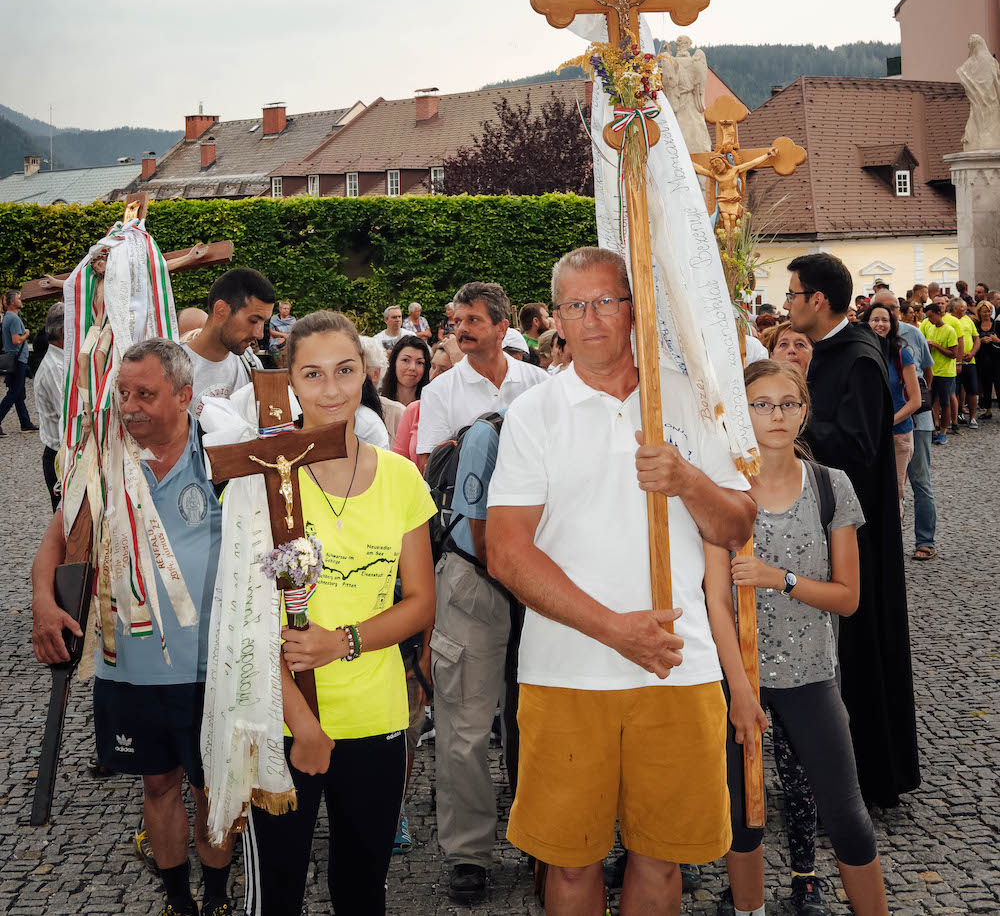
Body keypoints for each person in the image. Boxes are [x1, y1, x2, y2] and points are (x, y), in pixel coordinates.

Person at [487, 247, 756, 915]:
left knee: (662, 863)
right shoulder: (534, 413)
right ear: (556, 320)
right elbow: (507, 552)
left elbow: (736, 524)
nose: (594, 318)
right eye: (577, 305)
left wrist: (687, 479)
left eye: (607, 300)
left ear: (633, 309)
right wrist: (615, 630)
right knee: (571, 867)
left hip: (677, 665)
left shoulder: (690, 402)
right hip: (566, 672)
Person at [239, 310, 436, 916]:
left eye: (345, 371)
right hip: (284, 721)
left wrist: (342, 642)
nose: (331, 390)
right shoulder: (266, 478)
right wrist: (306, 728)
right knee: (277, 892)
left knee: (362, 888)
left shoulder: (401, 477)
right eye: (313, 374)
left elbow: (421, 602)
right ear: (290, 383)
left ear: (366, 374)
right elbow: (245, 625)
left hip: (376, 717)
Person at [31, 339, 235, 916]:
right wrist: (44, 604)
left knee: (213, 790)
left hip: (210, 664)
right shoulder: (104, 460)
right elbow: (54, 542)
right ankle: (178, 902)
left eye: (146, 394)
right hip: (132, 667)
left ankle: (218, 898)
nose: (130, 406)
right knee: (158, 785)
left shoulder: (220, 452)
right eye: (123, 393)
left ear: (185, 395)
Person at [707, 360, 888, 916]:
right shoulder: (723, 492)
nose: (776, 415)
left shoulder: (832, 488)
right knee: (743, 819)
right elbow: (715, 599)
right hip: (740, 682)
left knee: (848, 817)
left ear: (805, 410)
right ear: (743, 415)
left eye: (788, 403)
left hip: (811, 676)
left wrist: (777, 579)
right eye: (761, 404)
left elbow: (848, 597)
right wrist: (739, 690)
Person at [785, 253, 919, 808]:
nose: (789, 303)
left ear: (818, 300)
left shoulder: (859, 355)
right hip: (834, 525)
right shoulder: (831, 351)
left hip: (856, 534)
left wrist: (794, 422)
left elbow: (861, 447)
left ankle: (867, 776)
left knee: (861, 652)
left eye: (793, 294)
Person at [432, 404, 513, 901]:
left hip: (539, 588)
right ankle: (468, 853)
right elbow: (484, 537)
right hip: (477, 583)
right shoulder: (489, 432)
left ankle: (545, 840)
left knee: (542, 723)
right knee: (466, 727)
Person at [415, 282, 546, 472]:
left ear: (501, 328)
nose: (462, 329)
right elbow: (430, 468)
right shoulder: (438, 390)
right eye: (458, 321)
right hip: (470, 500)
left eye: (473, 320)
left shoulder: (539, 382)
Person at [871, 292, 937, 559]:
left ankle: (925, 541)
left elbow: (928, 373)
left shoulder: (912, 335)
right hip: (884, 424)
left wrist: (912, 409)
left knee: (920, 481)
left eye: (892, 309)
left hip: (915, 420)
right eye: (880, 311)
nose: (885, 316)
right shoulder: (866, 340)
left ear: (899, 310)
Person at [184, 268, 276, 421]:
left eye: (263, 322)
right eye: (253, 321)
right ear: (221, 310)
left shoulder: (251, 365)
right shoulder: (170, 368)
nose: (259, 334)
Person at [859, 303, 921, 511]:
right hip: (867, 436)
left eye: (885, 320)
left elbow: (915, 401)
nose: (880, 324)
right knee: (868, 494)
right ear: (866, 323)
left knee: (894, 497)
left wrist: (887, 423)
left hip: (897, 435)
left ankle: (893, 543)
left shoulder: (902, 354)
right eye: (875, 320)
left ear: (892, 324)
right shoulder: (860, 353)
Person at [392, 343, 454, 467]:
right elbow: (397, 463)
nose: (433, 376)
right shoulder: (414, 410)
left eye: (443, 370)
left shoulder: (467, 411)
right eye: (433, 366)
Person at [34, 304, 66, 510]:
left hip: (63, 452)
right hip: (59, 455)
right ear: (64, 331)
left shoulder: (62, 361)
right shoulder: (55, 367)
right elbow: (69, 415)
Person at [920, 302, 959, 446]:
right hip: (933, 371)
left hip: (946, 372)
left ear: (938, 313)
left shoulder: (950, 330)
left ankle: (943, 432)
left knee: (945, 402)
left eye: (931, 316)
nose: (929, 320)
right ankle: (934, 431)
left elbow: (953, 354)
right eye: (927, 317)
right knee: (929, 402)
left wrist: (936, 345)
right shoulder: (930, 329)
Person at [0, 288, 38, 434]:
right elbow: (16, 340)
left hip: (15, 359)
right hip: (17, 360)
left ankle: (25, 422)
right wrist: (27, 333)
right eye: (19, 298)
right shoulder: (14, 319)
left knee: (19, 394)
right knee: (14, 393)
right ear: (11, 302)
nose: (21, 300)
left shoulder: (12, 316)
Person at [380, 334, 431, 429]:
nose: (412, 368)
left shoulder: (430, 407)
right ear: (394, 363)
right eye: (406, 360)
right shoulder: (380, 405)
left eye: (419, 363)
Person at [951, 297, 981, 427]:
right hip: (953, 362)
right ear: (955, 308)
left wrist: (972, 353)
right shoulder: (949, 320)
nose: (965, 309)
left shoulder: (968, 320)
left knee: (972, 389)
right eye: (962, 307)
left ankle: (973, 417)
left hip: (970, 360)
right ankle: (956, 416)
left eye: (965, 306)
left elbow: (977, 339)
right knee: (955, 390)